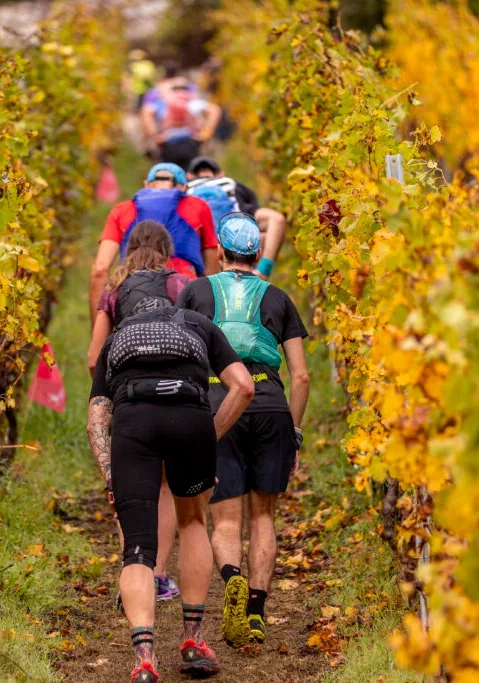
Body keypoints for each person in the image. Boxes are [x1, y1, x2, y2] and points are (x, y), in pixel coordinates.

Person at [87, 297, 255, 682]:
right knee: (193, 521)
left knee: (138, 548)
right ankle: (193, 642)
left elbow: (97, 416)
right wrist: (207, 439)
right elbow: (244, 387)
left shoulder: (118, 337)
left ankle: (144, 659)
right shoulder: (199, 324)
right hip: (190, 418)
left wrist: (111, 473)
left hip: (134, 422)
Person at [177, 213, 310, 648]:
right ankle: (255, 610)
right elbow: (302, 376)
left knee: (226, 516)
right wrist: (294, 429)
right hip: (270, 402)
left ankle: (230, 576)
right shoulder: (278, 297)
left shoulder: (196, 291)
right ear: (257, 254)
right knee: (264, 514)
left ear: (219, 252)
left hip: (219, 401)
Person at [87, 220, 193, 603]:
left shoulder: (114, 289)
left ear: (129, 249)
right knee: (164, 486)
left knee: (130, 488)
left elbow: (94, 354)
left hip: (128, 394)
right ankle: (159, 575)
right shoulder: (180, 283)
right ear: (167, 251)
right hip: (177, 390)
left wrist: (107, 391)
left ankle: (133, 569)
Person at [89, 163, 219, 325]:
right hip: (185, 295)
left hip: (131, 294)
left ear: (146, 185)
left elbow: (100, 270)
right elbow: (212, 271)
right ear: (184, 188)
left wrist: (99, 335)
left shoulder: (121, 210)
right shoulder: (199, 207)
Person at [187, 156, 287, 280]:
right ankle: (260, 275)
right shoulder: (232, 184)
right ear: (221, 174)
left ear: (189, 176)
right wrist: (263, 270)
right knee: (267, 232)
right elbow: (276, 220)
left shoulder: (185, 188)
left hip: (201, 251)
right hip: (236, 247)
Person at [140, 71, 221, 170]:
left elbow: (146, 112)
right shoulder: (192, 102)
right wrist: (206, 133)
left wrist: (154, 136)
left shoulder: (163, 102)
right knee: (190, 172)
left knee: (170, 173)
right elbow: (214, 110)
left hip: (168, 143)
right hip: (191, 142)